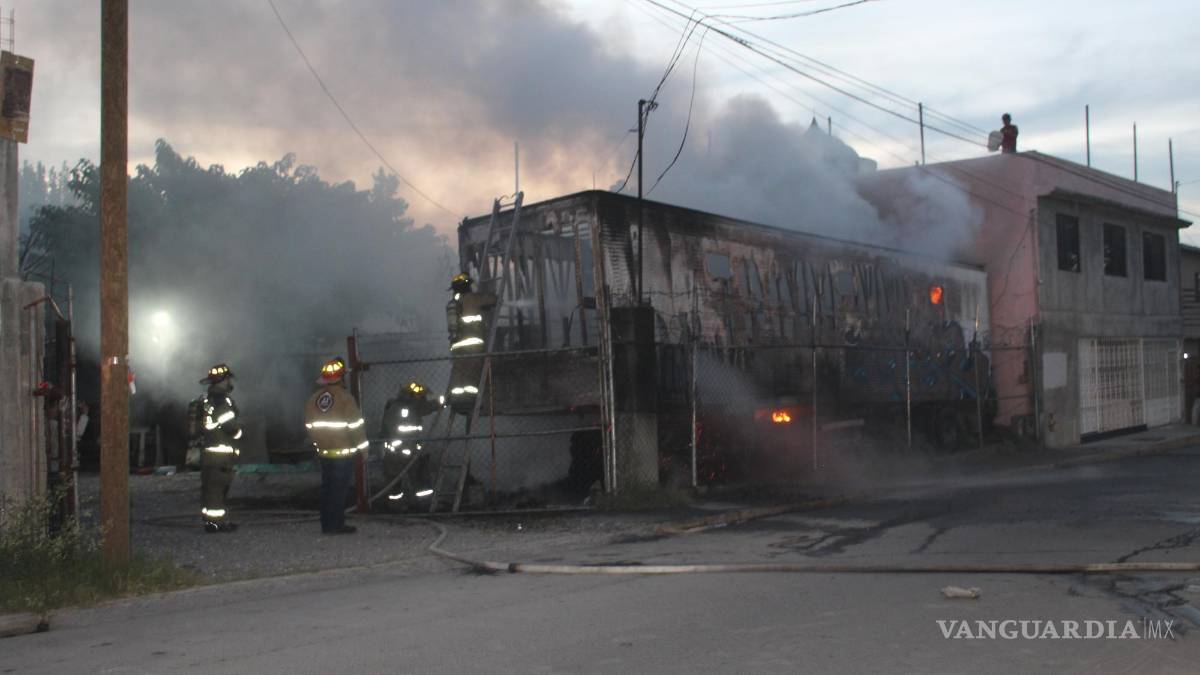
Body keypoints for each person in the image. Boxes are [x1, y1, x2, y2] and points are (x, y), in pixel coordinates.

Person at [305, 357, 368, 535]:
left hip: (324, 453)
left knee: (327, 490)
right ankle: (336, 525)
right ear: (342, 378)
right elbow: (355, 426)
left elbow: (310, 426)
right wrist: (363, 448)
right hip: (343, 454)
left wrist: (319, 444)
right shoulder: (346, 398)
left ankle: (328, 525)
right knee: (339, 491)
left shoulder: (313, 399)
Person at [380, 380, 440, 508]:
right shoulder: (414, 407)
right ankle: (424, 506)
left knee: (394, 483)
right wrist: (444, 401)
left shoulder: (392, 406)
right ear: (415, 397)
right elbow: (429, 407)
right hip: (410, 452)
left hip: (393, 453)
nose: (424, 399)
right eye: (422, 397)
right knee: (420, 480)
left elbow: (384, 432)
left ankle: (395, 507)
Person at [445, 273, 497, 415]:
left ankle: (457, 401)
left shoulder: (454, 303)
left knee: (459, 373)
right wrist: (493, 296)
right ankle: (471, 402)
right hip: (472, 346)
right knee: (472, 373)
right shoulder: (472, 298)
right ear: (467, 286)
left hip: (457, 347)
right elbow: (492, 299)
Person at [199, 363, 242, 533]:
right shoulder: (222, 401)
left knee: (209, 488)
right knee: (218, 489)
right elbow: (230, 427)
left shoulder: (206, 400)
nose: (230, 382)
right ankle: (216, 524)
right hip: (220, 454)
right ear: (223, 380)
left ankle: (209, 521)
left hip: (208, 451)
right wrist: (239, 433)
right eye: (228, 379)